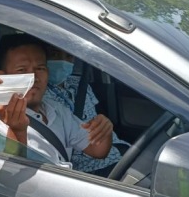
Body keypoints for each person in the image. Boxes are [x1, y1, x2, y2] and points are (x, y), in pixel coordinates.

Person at [0, 33, 111, 166]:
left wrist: (104, 129)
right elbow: (7, 175)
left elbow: (98, 150)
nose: (34, 77)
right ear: (2, 77)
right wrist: (17, 132)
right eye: (21, 70)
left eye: (40, 68)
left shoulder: (55, 110)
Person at [45, 46, 130, 176]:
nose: (63, 62)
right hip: (91, 168)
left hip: (118, 150)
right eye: (54, 54)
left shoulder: (80, 84)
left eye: (69, 56)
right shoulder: (40, 97)